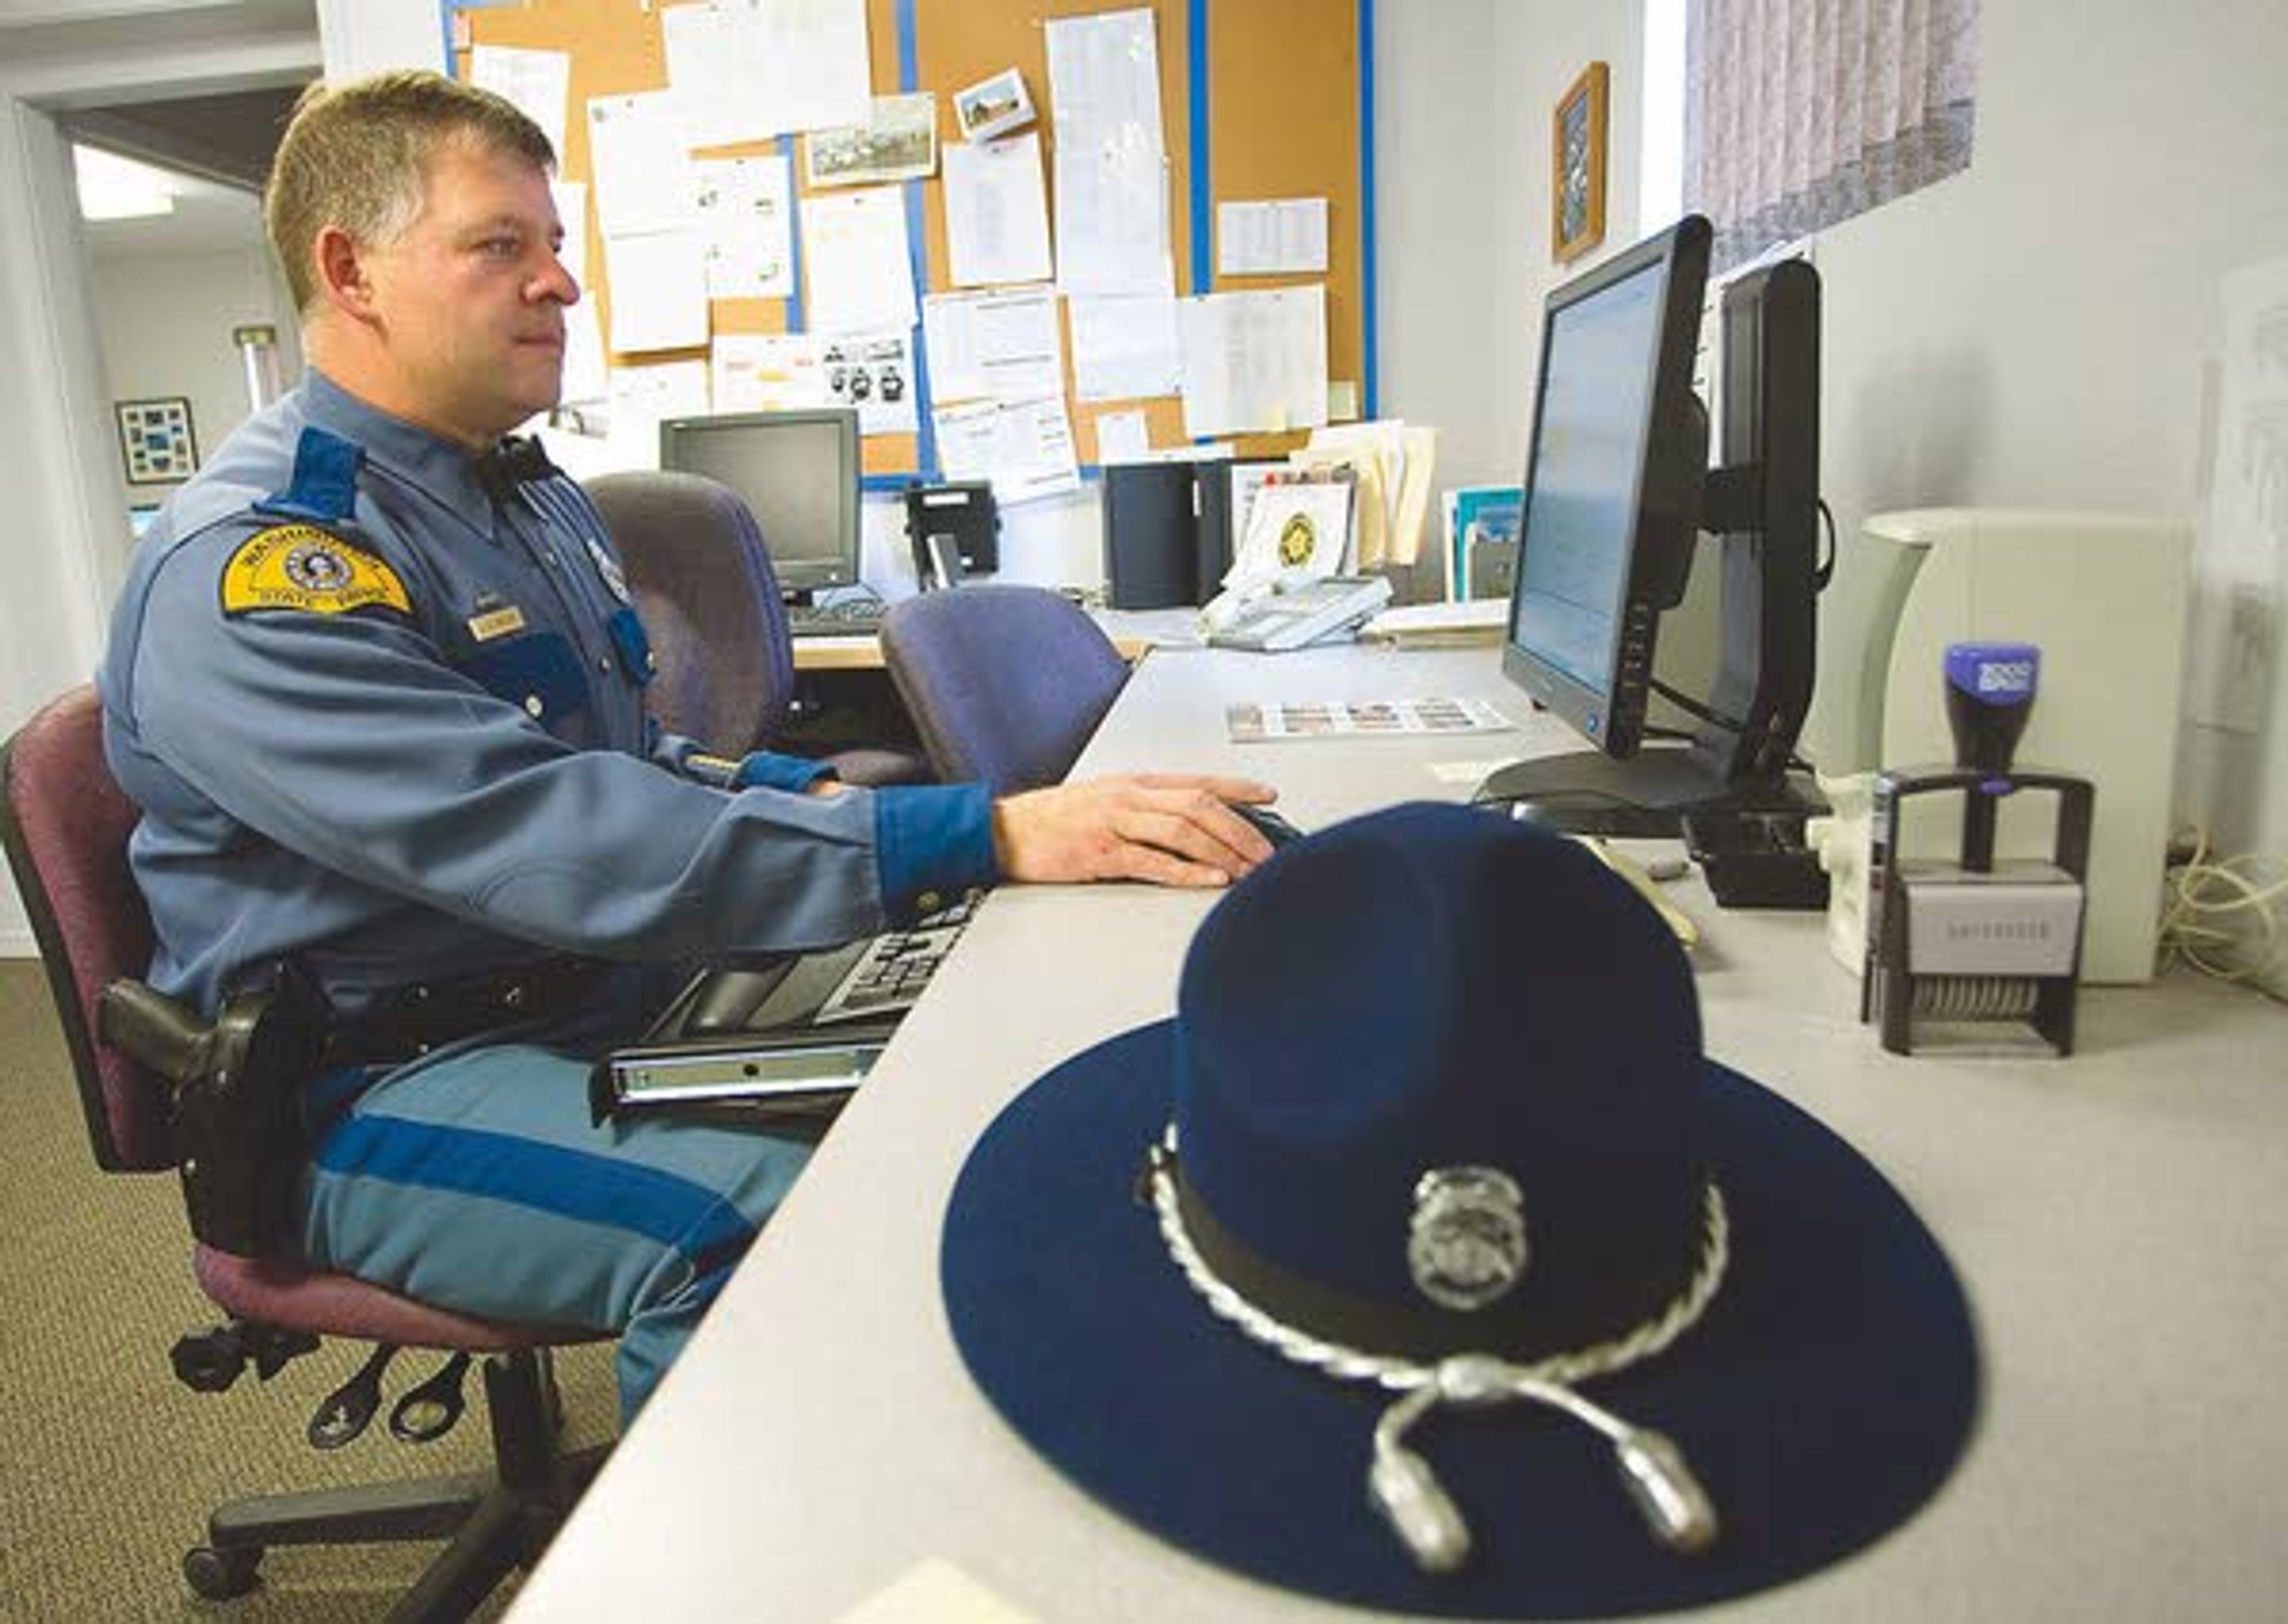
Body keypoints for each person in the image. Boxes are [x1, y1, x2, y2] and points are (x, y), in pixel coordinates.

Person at [97, 69, 1276, 1423]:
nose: (559, 284)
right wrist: (975, 833)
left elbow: (632, 759)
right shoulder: (260, 566)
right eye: (501, 245)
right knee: (777, 1231)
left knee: (983, 1063)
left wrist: (818, 792)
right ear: (351, 268)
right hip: (363, 1093)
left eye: (555, 245)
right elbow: (544, 836)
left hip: (586, 992)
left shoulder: (521, 499)